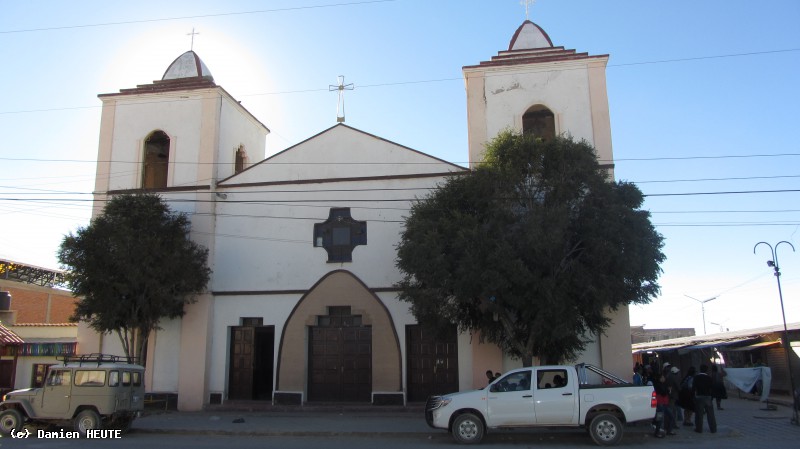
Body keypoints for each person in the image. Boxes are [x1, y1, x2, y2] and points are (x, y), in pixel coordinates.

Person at [692, 364, 717, 433]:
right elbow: (712, 388)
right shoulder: (709, 378)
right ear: (706, 370)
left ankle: (699, 428)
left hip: (699, 396)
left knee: (699, 414)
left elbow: (693, 388)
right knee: (710, 414)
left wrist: (693, 396)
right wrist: (712, 396)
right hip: (708, 397)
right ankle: (713, 429)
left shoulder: (696, 377)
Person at [652, 366, 675, 437]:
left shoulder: (663, 384)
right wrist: (668, 390)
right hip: (660, 404)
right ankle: (657, 432)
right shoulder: (658, 385)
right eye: (662, 377)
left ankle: (668, 430)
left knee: (670, 416)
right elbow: (663, 392)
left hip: (664, 403)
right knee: (660, 419)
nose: (663, 378)